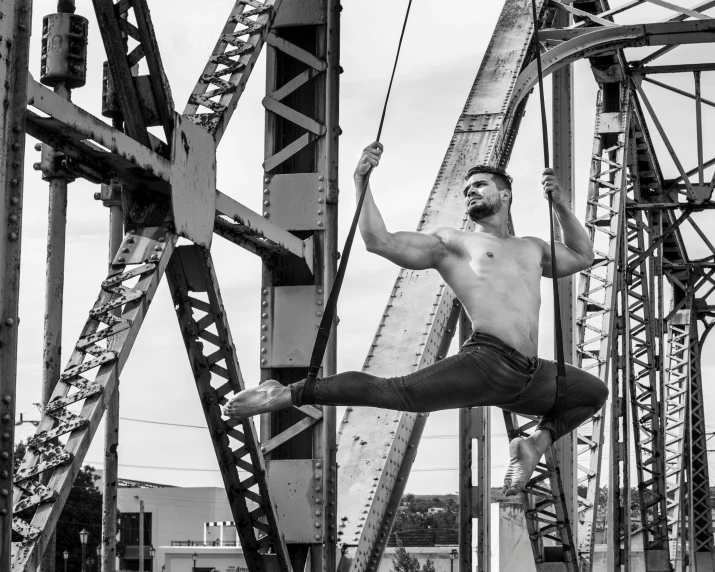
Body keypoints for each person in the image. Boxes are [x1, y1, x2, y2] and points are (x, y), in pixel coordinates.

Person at [223, 142, 608, 496]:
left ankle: (532, 446)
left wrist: (558, 203)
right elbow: (381, 241)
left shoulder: (533, 248)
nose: (470, 191)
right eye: (466, 189)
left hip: (529, 375)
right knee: (399, 392)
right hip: (487, 362)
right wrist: (361, 181)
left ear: (505, 194)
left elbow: (582, 255)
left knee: (592, 394)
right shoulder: (453, 243)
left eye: (480, 185)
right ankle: (284, 394)